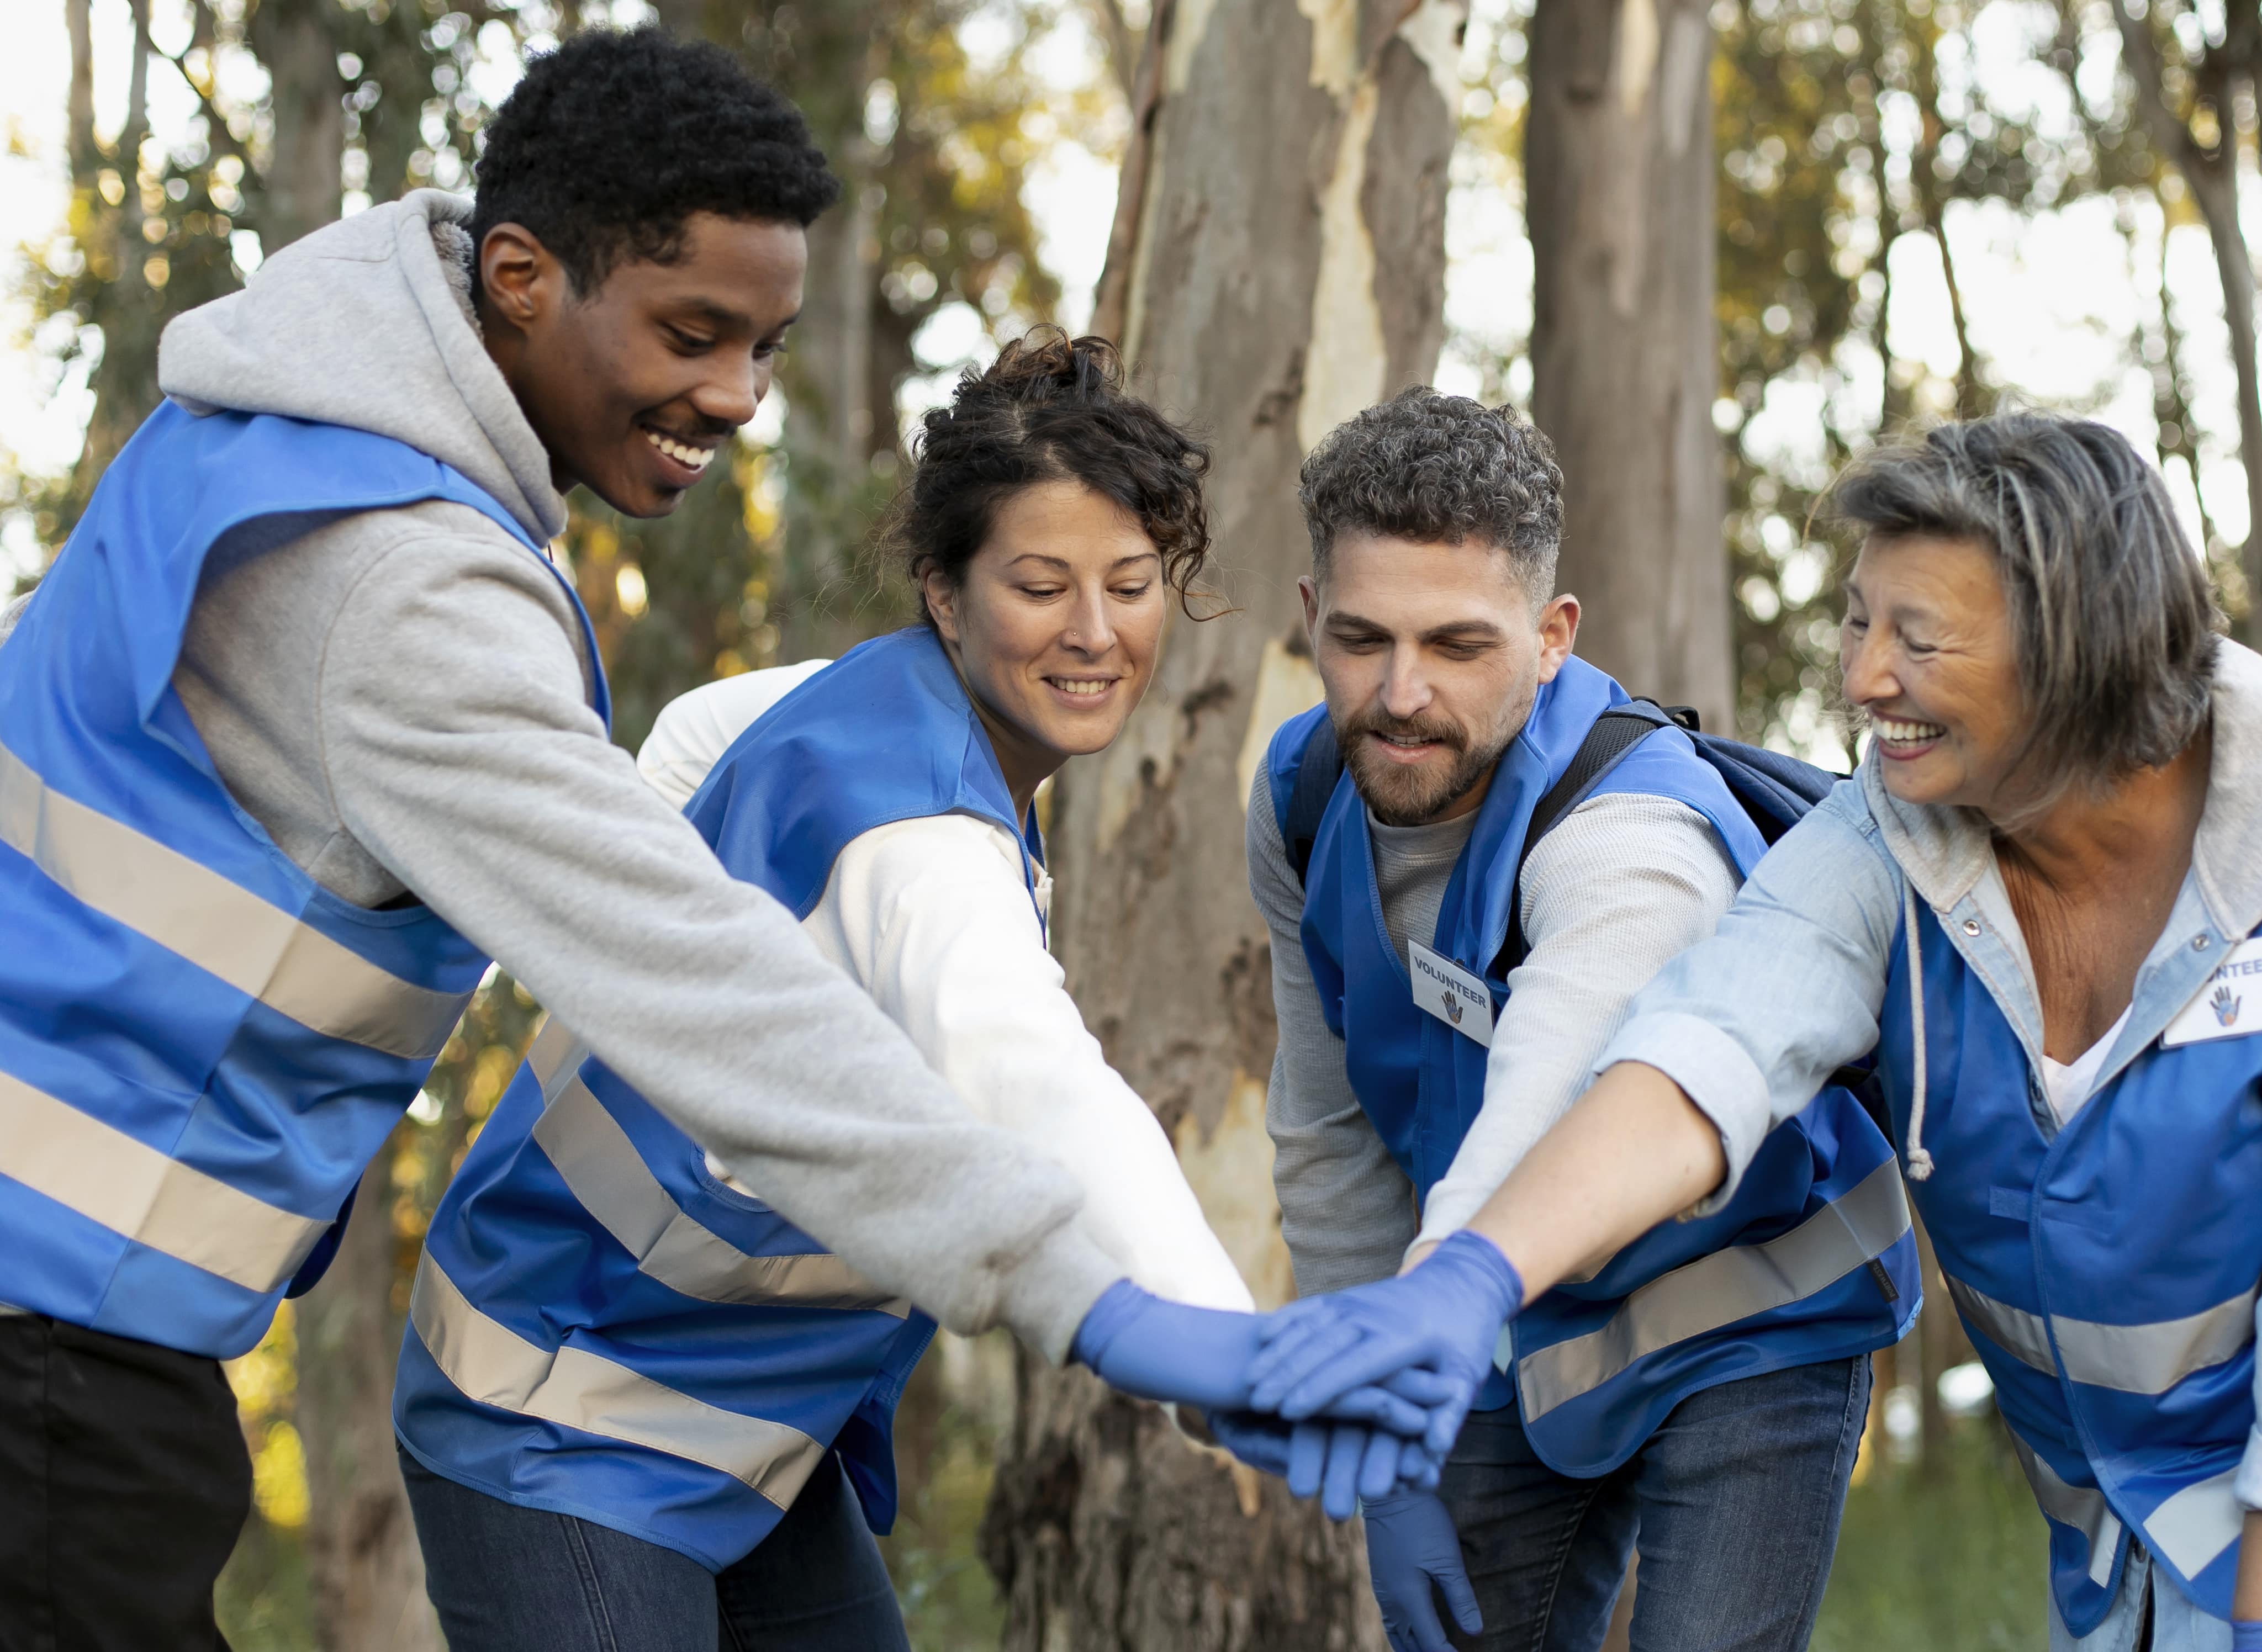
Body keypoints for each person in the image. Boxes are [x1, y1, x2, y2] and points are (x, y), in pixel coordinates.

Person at [0, 34, 1376, 1649]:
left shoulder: (265, 436)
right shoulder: (397, 581)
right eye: (691, 333)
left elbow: (676, 773)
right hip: (68, 1342)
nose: (734, 395)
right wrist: (1115, 1307)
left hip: (106, 1322)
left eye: (767, 346)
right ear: (518, 277)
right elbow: (705, 976)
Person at [1248, 413, 2262, 1652]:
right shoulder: (1893, 838)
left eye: (1918, 638)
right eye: (1858, 621)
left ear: (2074, 650)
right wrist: (1471, 1274)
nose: (1864, 677)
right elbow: (1706, 1047)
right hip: (2132, 1552)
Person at [395, 331, 1352, 1646]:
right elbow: (1040, 1086)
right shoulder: (916, 837)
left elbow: (695, 735)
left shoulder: (853, 707)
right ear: (947, 596)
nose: (1095, 631)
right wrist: (1238, 1361)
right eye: (1040, 583)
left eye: (1131, 583)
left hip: (748, 1426)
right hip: (557, 1398)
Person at [1241, 388, 1920, 1652]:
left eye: (1458, 645)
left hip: (1749, 1312)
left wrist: (1439, 1297)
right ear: (1308, 620)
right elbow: (1327, 1127)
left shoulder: (1634, 832)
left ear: (1553, 636)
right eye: (1361, 638)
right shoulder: (1300, 794)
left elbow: (1551, 1086)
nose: (1401, 693)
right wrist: (1383, 1425)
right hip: (1511, 1326)